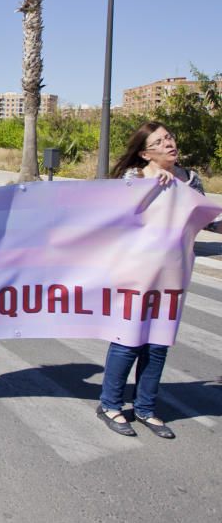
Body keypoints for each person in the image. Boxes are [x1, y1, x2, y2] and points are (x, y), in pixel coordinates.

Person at [96, 121, 217, 439]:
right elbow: (119, 219)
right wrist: (151, 189)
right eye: (160, 141)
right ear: (145, 152)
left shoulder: (190, 179)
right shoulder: (133, 178)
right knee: (128, 340)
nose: (169, 144)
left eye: (170, 138)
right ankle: (110, 404)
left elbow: (205, 218)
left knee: (159, 342)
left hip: (174, 273)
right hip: (135, 274)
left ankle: (146, 408)